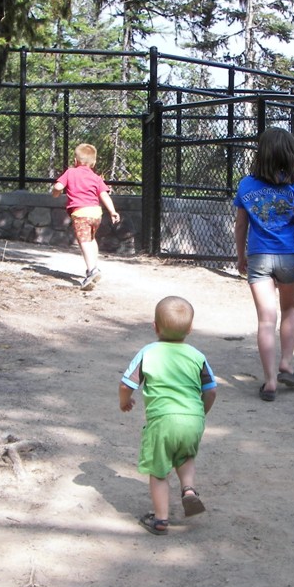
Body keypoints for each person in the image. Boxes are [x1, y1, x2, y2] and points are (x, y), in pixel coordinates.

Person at [119, 296, 217, 535]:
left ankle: (161, 519)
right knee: (185, 455)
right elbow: (211, 390)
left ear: (155, 326)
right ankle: (189, 489)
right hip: (192, 420)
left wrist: (125, 402)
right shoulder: (197, 356)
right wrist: (200, 414)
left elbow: (126, 385)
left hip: (162, 420)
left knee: (159, 471)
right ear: (190, 329)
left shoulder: (148, 352)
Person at [233, 127, 294, 402]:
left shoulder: (246, 185)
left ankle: (269, 382)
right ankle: (286, 364)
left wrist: (240, 255)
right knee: (289, 309)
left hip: (258, 257)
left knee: (266, 320)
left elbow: (241, 223)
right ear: (289, 154)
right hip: (289, 256)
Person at [52, 143, 120, 290]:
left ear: (75, 161)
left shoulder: (70, 172)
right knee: (91, 239)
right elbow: (104, 195)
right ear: (93, 163)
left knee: (83, 241)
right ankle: (94, 266)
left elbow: (58, 187)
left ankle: (91, 271)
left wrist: (55, 193)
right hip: (96, 213)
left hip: (81, 212)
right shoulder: (96, 177)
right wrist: (113, 211)